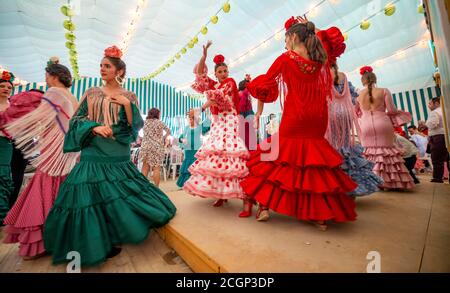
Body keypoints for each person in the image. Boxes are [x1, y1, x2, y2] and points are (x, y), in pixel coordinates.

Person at [43, 46, 176, 267]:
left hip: (117, 150)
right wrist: (94, 127)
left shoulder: (129, 96)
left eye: (107, 66)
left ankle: (115, 234)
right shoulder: (92, 93)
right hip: (93, 150)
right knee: (87, 192)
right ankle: (92, 244)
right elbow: (76, 120)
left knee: (115, 194)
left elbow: (134, 128)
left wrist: (128, 106)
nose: (102, 69)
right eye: (101, 66)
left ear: (119, 72)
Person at [240, 16, 357, 230]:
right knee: (313, 166)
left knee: (276, 160)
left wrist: (252, 87)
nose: (285, 44)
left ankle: (264, 206)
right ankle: (317, 215)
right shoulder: (321, 59)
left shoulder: (286, 59)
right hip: (318, 118)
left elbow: (266, 85)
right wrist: (311, 26)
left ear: (293, 37)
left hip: (295, 117)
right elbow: (334, 39)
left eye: (286, 39)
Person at [3, 58, 79, 260]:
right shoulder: (72, 97)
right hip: (70, 151)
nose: (45, 80)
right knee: (62, 190)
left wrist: (12, 122)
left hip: (54, 152)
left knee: (43, 190)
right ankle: (63, 235)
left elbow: (38, 118)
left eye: (46, 76)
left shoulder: (54, 93)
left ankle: (42, 243)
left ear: (54, 76)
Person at [183, 41, 250, 217]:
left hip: (229, 120)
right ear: (215, 73)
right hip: (218, 121)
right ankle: (221, 194)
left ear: (227, 72)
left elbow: (219, 98)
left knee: (230, 154)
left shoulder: (231, 82)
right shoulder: (214, 86)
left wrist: (206, 105)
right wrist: (204, 56)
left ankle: (246, 198)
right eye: (219, 71)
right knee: (216, 155)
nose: (223, 74)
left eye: (224, 71)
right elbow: (200, 74)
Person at [327, 62, 383, 196]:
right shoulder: (343, 77)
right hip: (345, 115)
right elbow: (352, 98)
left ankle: (336, 187)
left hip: (331, 114)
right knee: (346, 147)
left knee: (333, 147)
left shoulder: (323, 74)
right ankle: (352, 186)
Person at [356, 66, 415, 190]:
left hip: (365, 125)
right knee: (387, 152)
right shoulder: (384, 90)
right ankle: (390, 183)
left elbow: (356, 112)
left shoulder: (358, 94)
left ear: (363, 80)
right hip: (383, 122)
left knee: (369, 152)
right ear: (374, 79)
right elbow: (392, 110)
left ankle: (371, 182)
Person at [176, 109, 210, 188]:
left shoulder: (199, 127)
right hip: (188, 150)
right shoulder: (186, 128)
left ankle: (196, 183)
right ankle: (186, 183)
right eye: (189, 119)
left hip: (196, 149)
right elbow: (181, 137)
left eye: (191, 118)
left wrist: (207, 113)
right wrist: (182, 140)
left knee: (196, 165)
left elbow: (208, 123)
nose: (189, 120)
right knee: (187, 166)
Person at [140, 108, 171, 187]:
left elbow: (138, 132)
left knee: (145, 167)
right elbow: (169, 131)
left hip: (145, 146)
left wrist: (145, 138)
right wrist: (163, 137)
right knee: (156, 168)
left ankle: (142, 187)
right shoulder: (160, 122)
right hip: (156, 147)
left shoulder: (145, 122)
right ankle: (156, 188)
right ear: (157, 114)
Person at [426, 97, 450, 183]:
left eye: (430, 103)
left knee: (437, 158)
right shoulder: (446, 111)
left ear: (436, 103)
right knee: (447, 157)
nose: (429, 106)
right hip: (446, 135)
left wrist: (426, 124)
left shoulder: (434, 112)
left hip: (438, 136)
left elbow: (433, 124)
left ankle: (437, 178)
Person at [238, 75, 257, 151]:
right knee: (247, 133)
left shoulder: (242, 93)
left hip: (246, 115)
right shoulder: (244, 93)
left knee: (246, 133)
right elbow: (242, 105)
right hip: (246, 115)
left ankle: (247, 148)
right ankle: (248, 148)